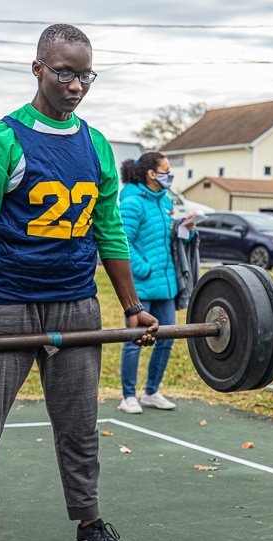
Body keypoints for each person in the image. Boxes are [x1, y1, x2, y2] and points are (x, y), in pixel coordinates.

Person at [0, 23, 159, 541]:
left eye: (86, 75)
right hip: (4, 303)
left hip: (75, 305)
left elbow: (108, 231)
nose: (77, 85)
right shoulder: (1, 140)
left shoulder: (97, 145)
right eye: (65, 73)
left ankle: (89, 524)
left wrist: (132, 307)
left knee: (80, 426)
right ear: (37, 69)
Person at [116, 152, 179, 415]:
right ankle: (128, 396)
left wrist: (186, 232)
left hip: (166, 285)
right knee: (136, 339)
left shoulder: (164, 202)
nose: (169, 175)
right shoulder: (132, 203)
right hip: (142, 284)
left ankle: (152, 391)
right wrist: (144, 268)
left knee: (167, 338)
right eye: (165, 170)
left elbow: (163, 239)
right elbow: (121, 242)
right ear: (152, 174)